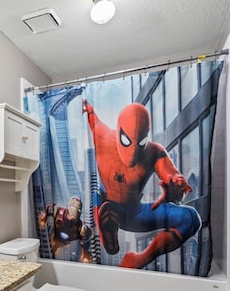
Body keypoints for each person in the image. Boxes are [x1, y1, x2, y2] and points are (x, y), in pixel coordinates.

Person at [83, 100, 201, 268]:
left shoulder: (154, 151)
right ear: (118, 132)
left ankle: (140, 258)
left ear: (147, 134)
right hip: (107, 204)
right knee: (100, 202)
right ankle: (108, 233)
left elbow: (172, 175)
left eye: (140, 142)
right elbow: (94, 120)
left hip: (134, 212)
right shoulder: (103, 136)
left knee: (191, 219)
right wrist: (88, 109)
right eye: (126, 140)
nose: (132, 152)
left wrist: (176, 186)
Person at [38, 196, 92, 263]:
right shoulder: (59, 211)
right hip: (56, 237)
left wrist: (85, 233)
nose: (73, 213)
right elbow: (49, 208)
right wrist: (44, 218)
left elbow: (84, 239)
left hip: (67, 242)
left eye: (78, 210)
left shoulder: (79, 224)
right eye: (72, 208)